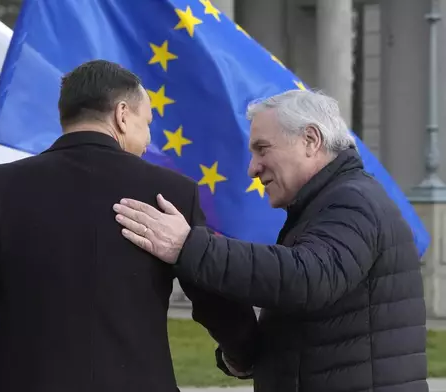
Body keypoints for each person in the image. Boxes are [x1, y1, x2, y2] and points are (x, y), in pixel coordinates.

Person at [0, 60, 256, 392]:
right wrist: (244, 353)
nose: (147, 136)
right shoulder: (172, 193)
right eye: (147, 121)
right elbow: (212, 295)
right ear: (123, 115)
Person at [112, 89, 428, 392]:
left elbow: (307, 278)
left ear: (311, 140)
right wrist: (247, 353)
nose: (253, 168)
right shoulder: (330, 202)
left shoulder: (352, 201)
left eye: (263, 149)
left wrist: (187, 246)